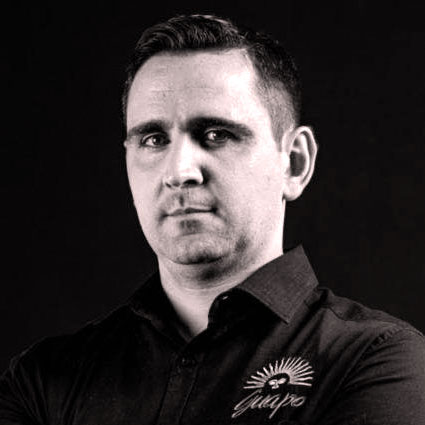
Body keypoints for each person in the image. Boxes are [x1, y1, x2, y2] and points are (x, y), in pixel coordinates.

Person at [1, 13, 424, 425]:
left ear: (294, 163)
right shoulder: (43, 381)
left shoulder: (378, 360)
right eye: (154, 139)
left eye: (216, 135)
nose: (179, 171)